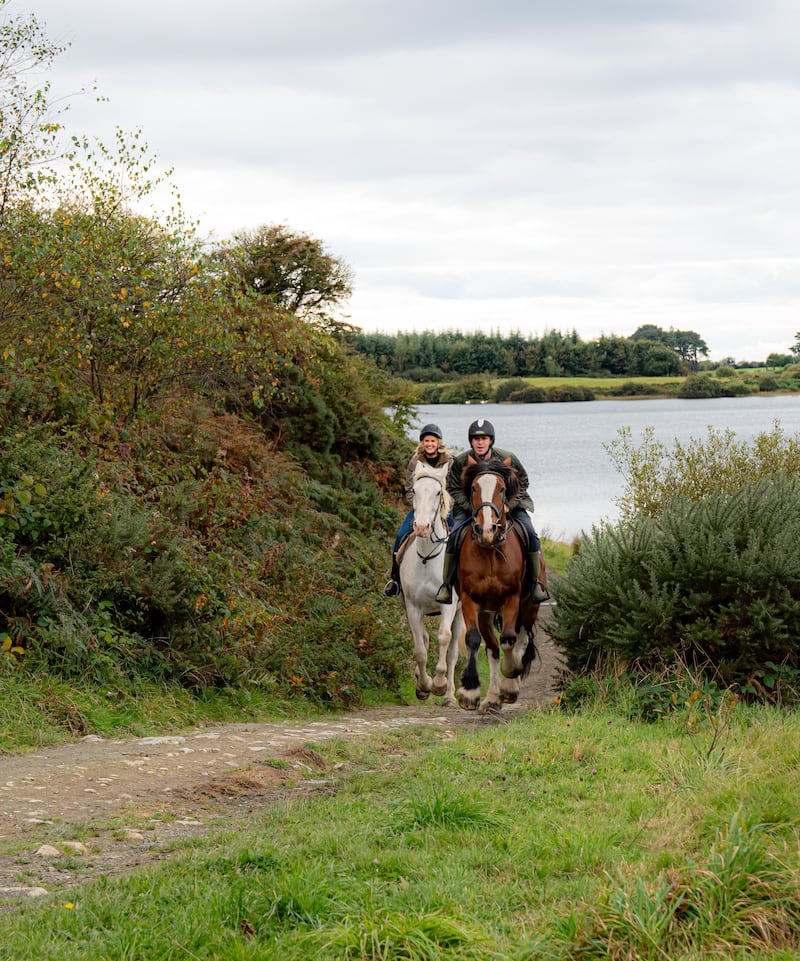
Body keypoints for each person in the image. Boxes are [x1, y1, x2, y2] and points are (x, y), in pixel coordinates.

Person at [433, 418, 550, 605]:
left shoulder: (506, 457)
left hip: (509, 505)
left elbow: (523, 482)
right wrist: (475, 508)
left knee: (530, 533)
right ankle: (446, 585)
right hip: (472, 508)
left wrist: (509, 505)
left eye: (484, 439)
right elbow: (453, 488)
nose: (480, 443)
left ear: (491, 441)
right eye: (476, 439)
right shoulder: (462, 461)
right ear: (471, 441)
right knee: (454, 536)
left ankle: (536, 584)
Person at [383, 424, 454, 597]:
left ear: (438, 442)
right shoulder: (415, 462)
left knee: (459, 536)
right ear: (422, 443)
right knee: (401, 535)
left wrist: (446, 506)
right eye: (426, 441)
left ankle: (461, 579)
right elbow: (409, 489)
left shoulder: (450, 461)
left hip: (444, 508)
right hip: (420, 508)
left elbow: (453, 488)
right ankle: (395, 580)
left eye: (433, 441)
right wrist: (418, 504)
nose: (429, 444)